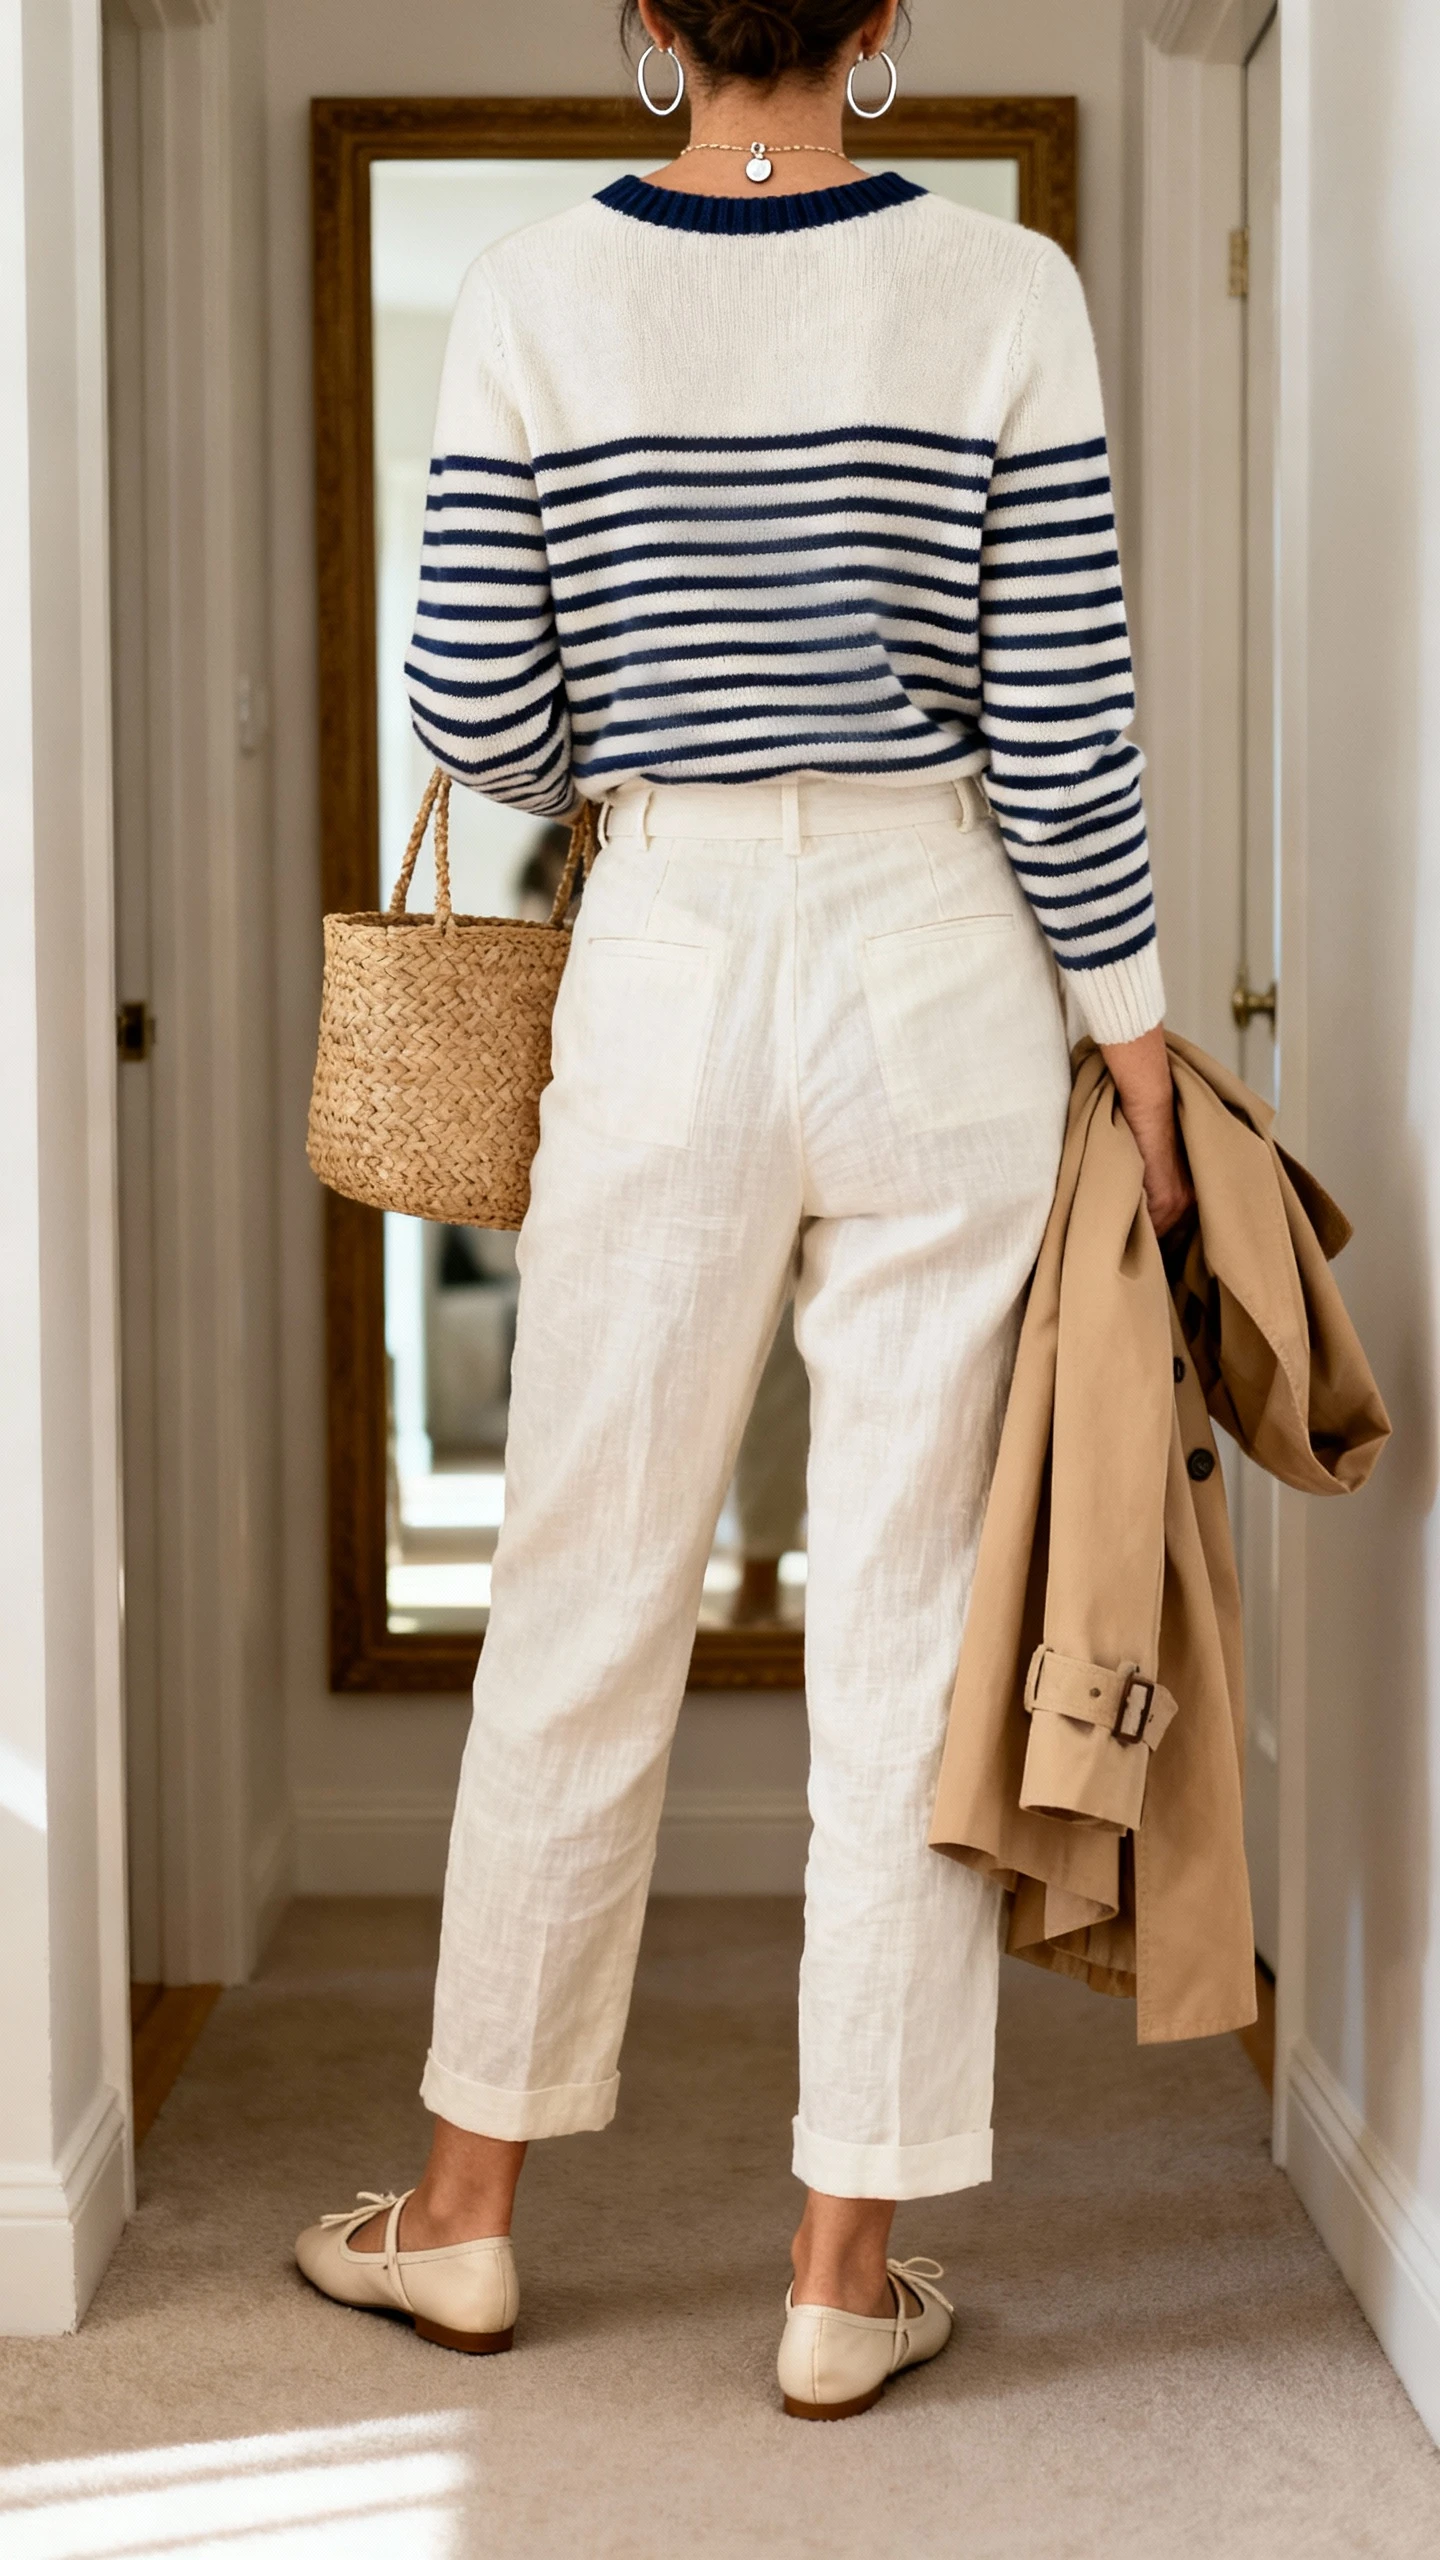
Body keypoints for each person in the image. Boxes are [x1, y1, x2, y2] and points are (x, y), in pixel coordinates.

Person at [297, 0, 1193, 2420]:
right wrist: (1143, 1048)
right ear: (884, 22)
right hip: (945, 955)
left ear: (646, 16)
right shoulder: (1004, 294)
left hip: (673, 941)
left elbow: (475, 712)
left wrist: (636, 741)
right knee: (908, 1628)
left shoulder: (534, 296)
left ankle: (464, 2217)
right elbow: (1068, 716)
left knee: (578, 1591)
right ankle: (838, 2266)